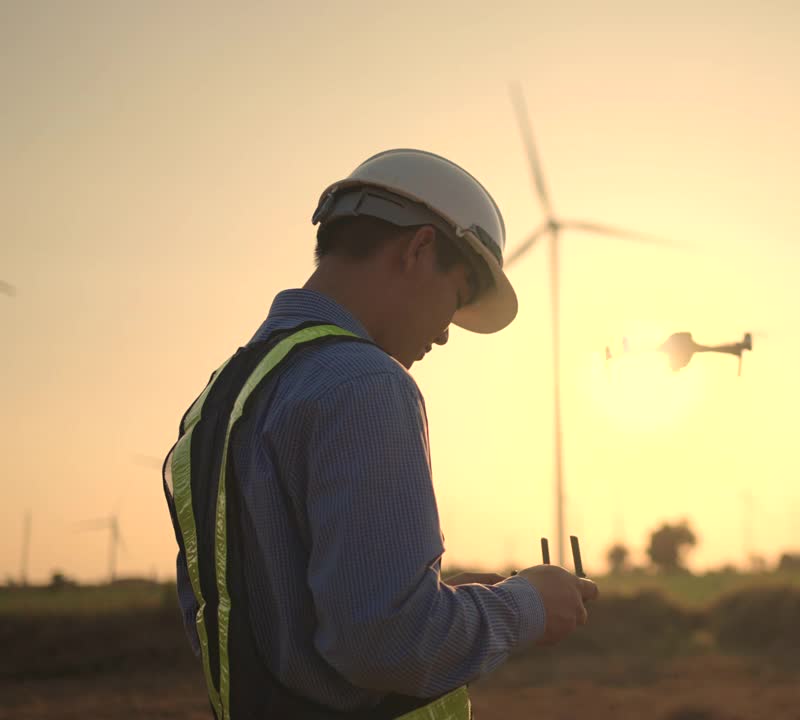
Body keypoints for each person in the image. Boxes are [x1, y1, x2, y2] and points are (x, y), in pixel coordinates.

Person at [162, 149, 598, 719]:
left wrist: (434, 601)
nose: (444, 334)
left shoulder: (220, 399)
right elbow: (387, 645)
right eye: (457, 295)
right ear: (418, 250)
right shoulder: (362, 381)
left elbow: (268, 620)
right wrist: (528, 605)